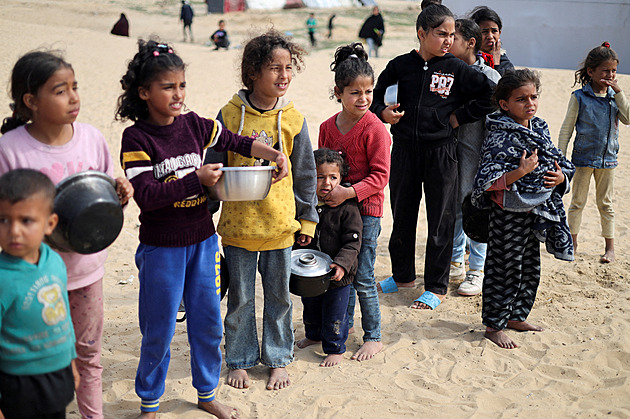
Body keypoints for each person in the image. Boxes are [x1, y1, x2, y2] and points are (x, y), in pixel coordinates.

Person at [116, 39, 288, 418]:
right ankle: (149, 403)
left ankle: (207, 394)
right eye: (167, 87)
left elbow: (236, 141)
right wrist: (196, 179)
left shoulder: (195, 125)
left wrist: (274, 154)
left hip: (203, 244)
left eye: (181, 86)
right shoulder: (137, 138)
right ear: (144, 93)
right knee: (158, 328)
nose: (177, 94)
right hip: (161, 249)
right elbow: (146, 195)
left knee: (207, 324)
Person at [0, 50, 133, 419]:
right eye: (60, 90)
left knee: (88, 353)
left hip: (86, 271)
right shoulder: (9, 150)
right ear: (31, 101)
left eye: (75, 87)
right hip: (29, 277)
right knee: (32, 355)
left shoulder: (90, 138)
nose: (74, 97)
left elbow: (103, 202)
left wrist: (120, 193)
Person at [370, 4, 494, 310]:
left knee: (441, 219)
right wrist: (383, 113)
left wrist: (460, 116)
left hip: (441, 153)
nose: (448, 40)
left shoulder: (457, 69)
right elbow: (374, 100)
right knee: (403, 215)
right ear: (422, 33)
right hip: (403, 152)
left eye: (452, 34)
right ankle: (402, 277)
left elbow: (492, 95)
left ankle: (437, 287)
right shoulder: (400, 65)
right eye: (441, 34)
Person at [217, 30, 318, 391]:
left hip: (279, 227)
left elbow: (306, 172)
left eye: (288, 67)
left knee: (278, 298)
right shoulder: (229, 115)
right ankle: (241, 359)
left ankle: (277, 359)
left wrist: (308, 218)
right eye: (274, 68)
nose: (283, 75)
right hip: (238, 228)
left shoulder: (294, 120)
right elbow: (215, 166)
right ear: (252, 73)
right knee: (241, 299)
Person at [471, 69, 575, 349]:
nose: (530, 104)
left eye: (534, 97)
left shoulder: (538, 126)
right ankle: (494, 325)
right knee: (504, 268)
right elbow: (487, 179)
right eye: (521, 99)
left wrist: (561, 177)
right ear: (504, 104)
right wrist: (520, 172)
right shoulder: (499, 132)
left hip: (536, 209)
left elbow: (557, 158)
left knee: (530, 267)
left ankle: (517, 316)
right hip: (507, 213)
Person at [318, 43, 390, 360]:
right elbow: (320, 169)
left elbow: (380, 176)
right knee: (338, 273)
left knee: (362, 275)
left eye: (369, 92)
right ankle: (338, 334)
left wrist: (348, 192)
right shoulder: (325, 128)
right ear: (338, 92)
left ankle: (373, 335)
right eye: (354, 93)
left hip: (367, 213)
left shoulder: (374, 128)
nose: (363, 99)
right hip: (335, 214)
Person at [0, 169, 79, 419]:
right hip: (17, 383)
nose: (14, 231)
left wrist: (71, 362)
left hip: (58, 375)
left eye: (26, 221)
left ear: (50, 224)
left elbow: (63, 316)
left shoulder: (54, 261)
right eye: (3, 220)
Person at [558, 42, 629, 264]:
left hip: (608, 159)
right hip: (582, 158)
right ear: (591, 71)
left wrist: (619, 93)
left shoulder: (614, 98)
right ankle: (573, 243)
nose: (610, 75)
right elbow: (566, 130)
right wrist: (561, 156)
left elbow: (627, 118)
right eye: (605, 71)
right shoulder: (579, 97)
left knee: (605, 204)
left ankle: (610, 248)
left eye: (614, 71)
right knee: (577, 202)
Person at [448, 18, 501, 296]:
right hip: (449, 159)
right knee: (453, 210)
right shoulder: (444, 73)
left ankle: (477, 270)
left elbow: (499, 127)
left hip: (477, 160)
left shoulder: (490, 79)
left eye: (452, 37)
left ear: (470, 43)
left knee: (476, 211)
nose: (447, 42)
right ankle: (456, 262)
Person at [295, 149, 362, 367]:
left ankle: (335, 348)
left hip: (337, 275)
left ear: (341, 179)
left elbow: (353, 241)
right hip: (312, 274)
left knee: (335, 313)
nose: (327, 183)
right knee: (311, 306)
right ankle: (313, 335)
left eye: (333, 177)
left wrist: (342, 264)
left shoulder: (347, 208)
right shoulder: (306, 204)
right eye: (320, 177)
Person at [469, 6, 514, 75]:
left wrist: (496, 64)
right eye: (484, 31)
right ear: (475, 34)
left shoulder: (505, 64)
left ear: (499, 33)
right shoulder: (468, 59)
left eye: (494, 31)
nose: (490, 36)